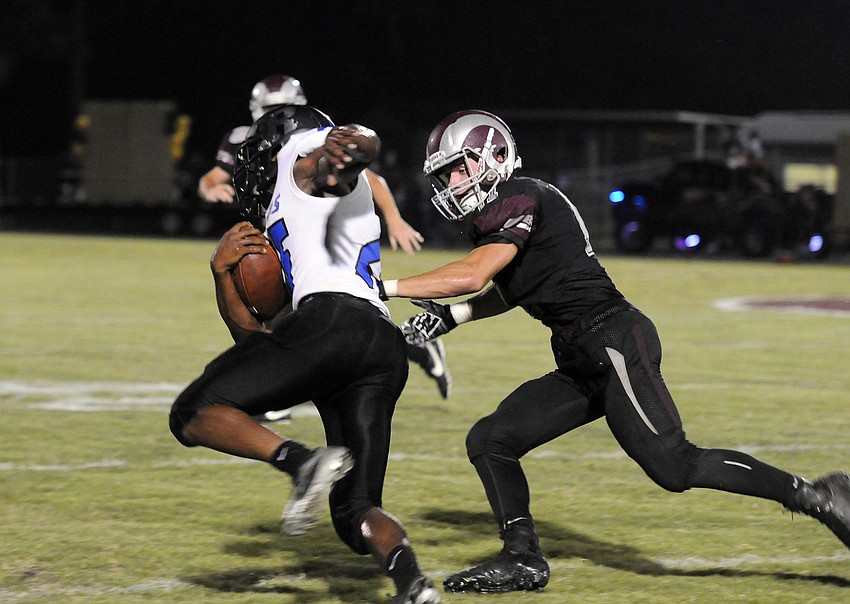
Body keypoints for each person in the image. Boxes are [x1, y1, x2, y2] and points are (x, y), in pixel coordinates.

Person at [377, 109, 850, 594]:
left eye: (459, 167)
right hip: (582, 355)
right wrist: (455, 316)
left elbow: (475, 274)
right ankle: (522, 558)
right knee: (491, 439)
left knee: (675, 467)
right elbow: (514, 286)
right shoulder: (504, 213)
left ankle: (818, 495)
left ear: (495, 156)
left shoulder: (523, 195)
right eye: (445, 174)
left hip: (614, 339)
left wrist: (380, 284)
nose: (452, 181)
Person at [170, 105, 440, 604]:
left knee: (192, 411)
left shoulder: (302, 156)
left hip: (331, 323)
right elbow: (255, 343)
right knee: (354, 510)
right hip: (378, 344)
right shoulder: (301, 210)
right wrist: (222, 275)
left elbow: (342, 153)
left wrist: (352, 144)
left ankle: (301, 463)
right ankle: (413, 585)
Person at [198, 75, 451, 408]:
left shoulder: (309, 139)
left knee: (307, 314)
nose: (276, 114)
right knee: (281, 314)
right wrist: (210, 190)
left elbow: (368, 175)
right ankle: (407, 345)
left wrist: (393, 219)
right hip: (265, 227)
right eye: (270, 108)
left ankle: (274, 390)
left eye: (282, 108)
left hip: (308, 231)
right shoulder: (242, 139)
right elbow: (212, 177)